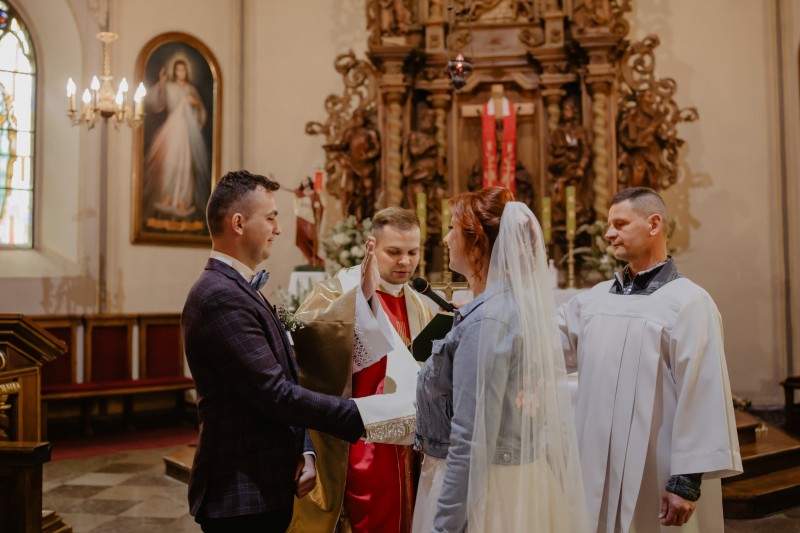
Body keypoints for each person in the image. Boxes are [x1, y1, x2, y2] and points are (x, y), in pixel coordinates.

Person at [182, 170, 365, 533]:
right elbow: (275, 393)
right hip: (241, 493)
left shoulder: (236, 287)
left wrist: (305, 448)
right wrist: (363, 414)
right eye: (270, 217)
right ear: (238, 223)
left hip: (263, 484)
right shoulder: (220, 296)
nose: (278, 229)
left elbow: (282, 378)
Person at [558, 187, 742, 532]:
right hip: (594, 466)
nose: (608, 233)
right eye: (609, 225)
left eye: (620, 224)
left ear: (654, 224)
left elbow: (702, 393)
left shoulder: (690, 302)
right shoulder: (593, 300)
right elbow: (544, 345)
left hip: (655, 472)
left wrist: (685, 482)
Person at [414, 187, 588, 533]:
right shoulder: (509, 306)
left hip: (485, 493)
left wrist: (445, 525)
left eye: (452, 229)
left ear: (476, 245)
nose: (445, 239)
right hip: (514, 479)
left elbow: (471, 438)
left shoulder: (487, 322)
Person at [288, 207, 434, 533]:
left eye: (413, 252)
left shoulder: (419, 304)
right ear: (372, 246)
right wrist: (362, 298)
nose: (405, 262)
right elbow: (308, 343)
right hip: (359, 441)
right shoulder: (338, 290)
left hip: (408, 441)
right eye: (394, 252)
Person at [143, 56, 210, 222]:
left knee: (185, 165)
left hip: (186, 131)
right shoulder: (170, 86)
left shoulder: (190, 89)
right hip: (173, 128)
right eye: (178, 70)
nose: (181, 72)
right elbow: (157, 102)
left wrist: (196, 103)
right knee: (169, 162)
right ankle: (167, 195)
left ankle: (182, 200)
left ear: (187, 72)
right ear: (175, 71)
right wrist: (161, 84)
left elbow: (200, 112)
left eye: (183, 70)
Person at [341, 109, 381, 220]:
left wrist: (367, 155)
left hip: (367, 167)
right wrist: (334, 148)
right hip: (352, 165)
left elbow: (377, 149)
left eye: (361, 116)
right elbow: (343, 145)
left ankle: (367, 217)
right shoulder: (350, 132)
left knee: (368, 193)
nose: (359, 119)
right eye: (357, 117)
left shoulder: (370, 132)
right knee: (352, 192)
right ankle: (352, 218)